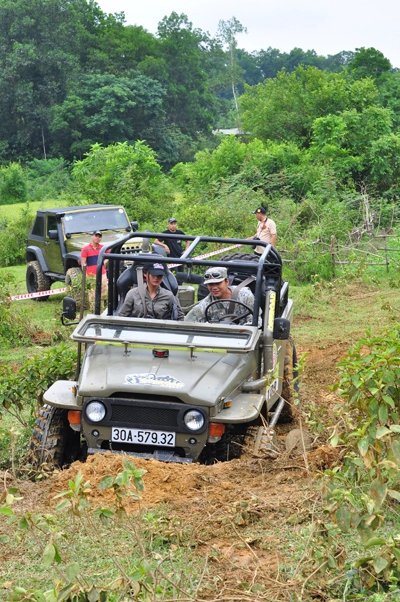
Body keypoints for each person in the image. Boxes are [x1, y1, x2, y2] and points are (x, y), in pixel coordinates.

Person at [185, 267, 257, 325]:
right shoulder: (203, 306)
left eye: (218, 283)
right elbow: (188, 325)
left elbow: (256, 322)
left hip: (244, 339)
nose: (214, 287)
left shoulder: (245, 296)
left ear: (227, 281)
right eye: (210, 284)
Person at [117, 262, 184, 320]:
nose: (156, 278)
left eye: (159, 275)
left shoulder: (169, 296)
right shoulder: (133, 294)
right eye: (153, 274)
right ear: (145, 274)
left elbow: (180, 318)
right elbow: (122, 316)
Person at [80, 230, 108, 300]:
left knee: (104, 293)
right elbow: (83, 262)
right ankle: (93, 310)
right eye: (96, 236)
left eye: (99, 236)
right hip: (91, 274)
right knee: (92, 294)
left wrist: (104, 262)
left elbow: (109, 256)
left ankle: (102, 310)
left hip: (102, 273)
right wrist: (85, 274)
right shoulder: (85, 249)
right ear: (92, 237)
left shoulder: (103, 248)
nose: (97, 238)